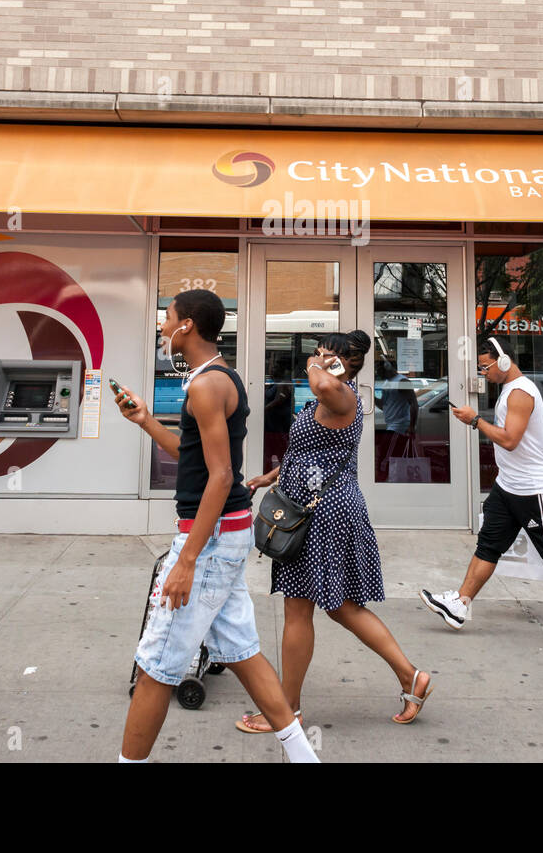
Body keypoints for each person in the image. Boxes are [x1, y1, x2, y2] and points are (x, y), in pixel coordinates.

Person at [112, 289, 319, 763]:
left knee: (155, 667)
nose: (163, 326)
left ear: (187, 327)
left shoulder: (206, 386)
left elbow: (222, 475)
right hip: (226, 533)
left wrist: (185, 561)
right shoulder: (214, 379)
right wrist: (145, 420)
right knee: (242, 652)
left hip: (208, 540)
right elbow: (198, 462)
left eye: (168, 318)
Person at [239, 330, 434, 731]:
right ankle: (410, 676)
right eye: (318, 352)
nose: (318, 358)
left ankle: (286, 711)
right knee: (340, 606)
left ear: (344, 365)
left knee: (299, 608)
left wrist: (319, 367)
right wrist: (270, 476)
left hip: (325, 515)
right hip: (313, 510)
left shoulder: (341, 394)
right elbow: (309, 450)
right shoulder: (325, 398)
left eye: (327, 354)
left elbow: (324, 381)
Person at [420, 335, 543, 647]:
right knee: (489, 543)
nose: (484, 373)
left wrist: (475, 420)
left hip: (532, 489)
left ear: (503, 360)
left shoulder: (520, 392)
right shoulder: (508, 390)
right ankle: (460, 604)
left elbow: (509, 439)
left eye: (486, 366)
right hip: (509, 486)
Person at [373, 353, 418, 479]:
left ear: (388, 367)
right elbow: (384, 405)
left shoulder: (402, 381)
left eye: (379, 368)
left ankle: (382, 480)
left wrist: (411, 426)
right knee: (388, 455)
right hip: (391, 425)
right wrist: (371, 396)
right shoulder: (388, 382)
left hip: (399, 426)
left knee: (385, 456)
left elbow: (414, 404)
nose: (377, 371)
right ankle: (389, 479)